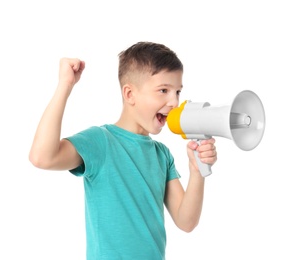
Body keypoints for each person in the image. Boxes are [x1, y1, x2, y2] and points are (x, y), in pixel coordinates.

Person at [29, 42, 217, 260]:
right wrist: (65, 86)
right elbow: (42, 157)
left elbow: (186, 222)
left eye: (178, 92)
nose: (174, 102)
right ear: (129, 94)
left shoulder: (162, 154)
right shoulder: (100, 141)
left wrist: (196, 172)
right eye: (163, 90)